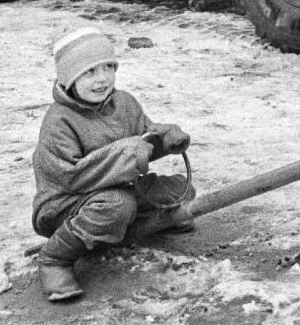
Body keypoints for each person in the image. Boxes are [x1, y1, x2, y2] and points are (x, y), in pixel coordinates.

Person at [31, 27, 196, 302]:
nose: (102, 79)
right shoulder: (59, 121)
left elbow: (144, 136)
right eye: (90, 72)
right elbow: (71, 176)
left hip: (119, 188)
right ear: (68, 78)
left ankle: (136, 224)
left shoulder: (124, 103)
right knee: (118, 205)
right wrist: (129, 153)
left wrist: (165, 138)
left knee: (179, 191)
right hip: (67, 202)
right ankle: (55, 259)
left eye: (109, 67)